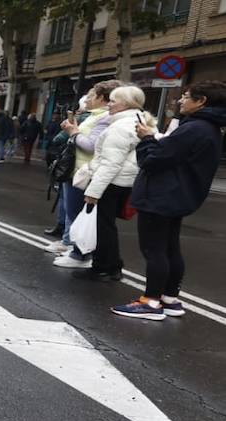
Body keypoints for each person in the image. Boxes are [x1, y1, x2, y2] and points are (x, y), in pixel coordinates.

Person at [112, 81, 226, 319]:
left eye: (185, 96)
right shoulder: (209, 128)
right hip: (179, 195)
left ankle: (150, 301)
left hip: (161, 195)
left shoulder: (193, 128)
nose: (180, 100)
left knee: (154, 250)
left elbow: (153, 160)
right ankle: (169, 298)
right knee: (170, 248)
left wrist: (146, 138)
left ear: (201, 101)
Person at [73, 85, 147, 283]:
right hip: (123, 181)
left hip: (112, 182)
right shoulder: (138, 121)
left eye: (113, 101)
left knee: (103, 226)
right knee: (106, 225)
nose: (110, 104)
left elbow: (110, 163)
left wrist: (94, 192)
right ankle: (108, 265)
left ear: (126, 104)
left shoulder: (121, 127)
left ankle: (106, 267)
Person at [50, 82, 117, 266]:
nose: (87, 99)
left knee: (79, 213)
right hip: (78, 169)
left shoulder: (103, 118)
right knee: (75, 212)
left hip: (84, 171)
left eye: (91, 95)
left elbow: (91, 146)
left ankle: (81, 255)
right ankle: (77, 251)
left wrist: (73, 132)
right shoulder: (94, 116)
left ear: (101, 98)